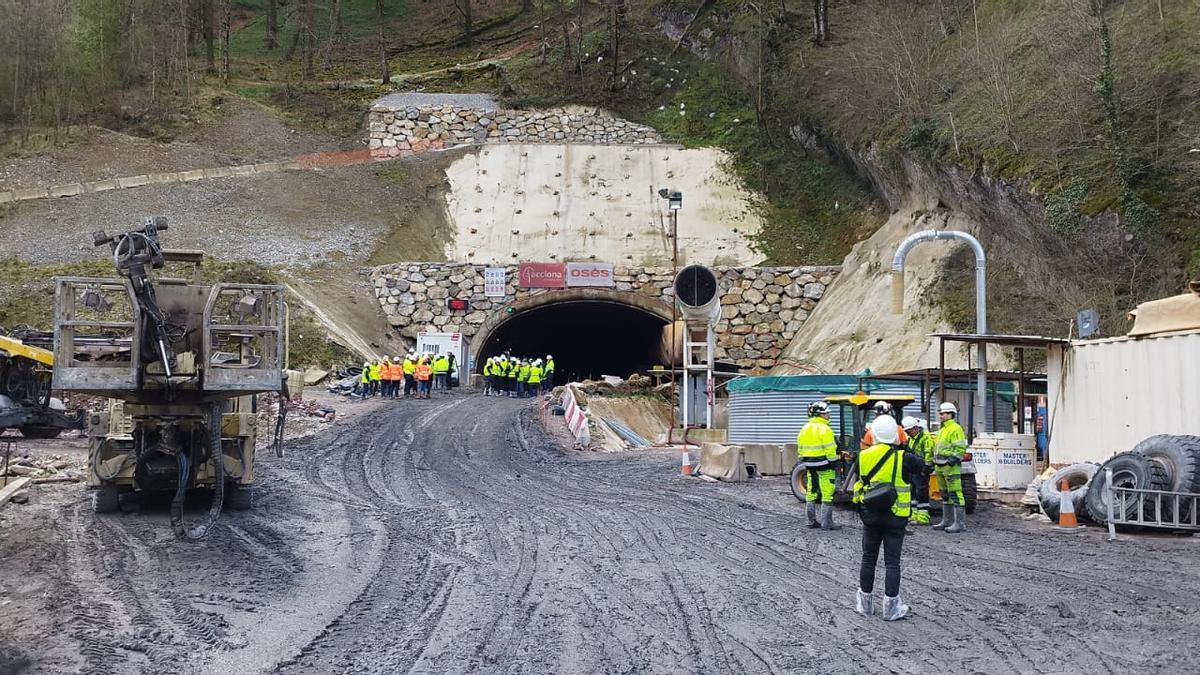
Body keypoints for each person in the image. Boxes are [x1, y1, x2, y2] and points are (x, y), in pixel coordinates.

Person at [853, 415, 922, 621]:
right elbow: (922, 466)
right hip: (895, 518)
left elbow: (860, 480)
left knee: (868, 558)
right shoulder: (904, 457)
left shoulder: (863, 456)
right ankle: (891, 608)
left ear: (873, 434)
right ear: (896, 434)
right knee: (892, 563)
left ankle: (865, 604)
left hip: (871, 516)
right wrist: (904, 447)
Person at [796, 400, 842, 531]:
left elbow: (800, 447)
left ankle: (810, 521)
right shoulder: (825, 429)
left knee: (811, 492)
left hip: (809, 465)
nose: (829, 415)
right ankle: (827, 523)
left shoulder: (804, 428)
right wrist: (835, 463)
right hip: (824, 465)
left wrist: (805, 460)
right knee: (827, 493)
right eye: (827, 413)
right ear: (821, 414)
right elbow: (830, 449)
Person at [932, 402, 969, 533]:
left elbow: (960, 448)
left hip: (949, 467)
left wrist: (951, 461)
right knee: (945, 494)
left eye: (943, 413)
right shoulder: (943, 430)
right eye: (940, 413)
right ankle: (947, 521)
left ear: (950, 414)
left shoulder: (955, 429)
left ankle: (960, 524)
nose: (941, 416)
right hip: (940, 466)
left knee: (955, 494)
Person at [902, 416, 934, 525]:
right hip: (913, 469)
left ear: (916, 428)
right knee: (913, 493)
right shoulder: (911, 438)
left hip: (922, 469)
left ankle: (923, 518)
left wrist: (927, 467)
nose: (907, 433)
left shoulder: (925, 438)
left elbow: (929, 453)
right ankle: (914, 515)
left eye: (908, 431)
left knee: (921, 492)